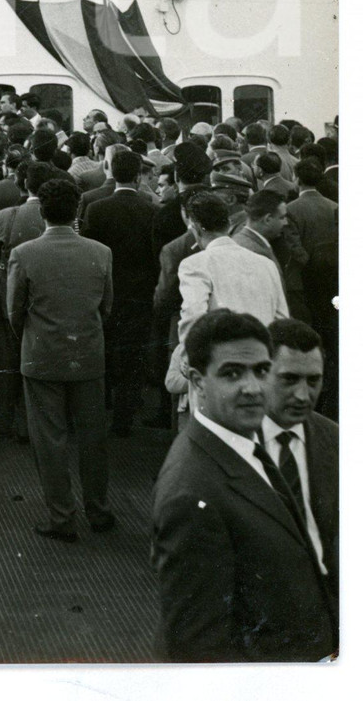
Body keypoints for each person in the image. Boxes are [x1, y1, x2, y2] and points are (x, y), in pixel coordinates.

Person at [151, 309, 335, 661]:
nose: (252, 388)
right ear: (197, 380)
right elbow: (196, 649)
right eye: (232, 373)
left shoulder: (239, 446)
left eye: (261, 371)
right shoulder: (191, 491)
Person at [7, 178, 115, 541]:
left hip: (42, 354)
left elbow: (13, 311)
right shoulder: (101, 252)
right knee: (93, 436)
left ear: (41, 211)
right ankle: (98, 510)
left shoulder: (24, 253)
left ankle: (61, 515)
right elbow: (107, 306)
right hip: (87, 351)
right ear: (78, 210)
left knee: (49, 440)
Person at [79, 148, 158, 437]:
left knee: (104, 352)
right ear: (138, 176)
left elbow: (89, 255)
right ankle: (124, 418)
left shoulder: (96, 208)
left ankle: (102, 410)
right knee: (133, 355)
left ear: (110, 171)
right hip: (139, 293)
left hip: (104, 293)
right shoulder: (152, 209)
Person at [263, 316, 337, 599]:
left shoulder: (336, 443)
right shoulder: (230, 442)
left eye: (314, 381)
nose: (303, 395)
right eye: (289, 379)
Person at [177, 190, 288, 345]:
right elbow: (281, 322)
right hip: (263, 358)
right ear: (229, 224)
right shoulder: (266, 264)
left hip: (221, 361)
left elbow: (193, 320)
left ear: (196, 228)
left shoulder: (194, 264)